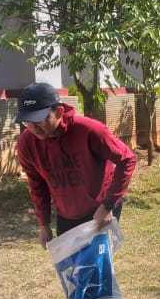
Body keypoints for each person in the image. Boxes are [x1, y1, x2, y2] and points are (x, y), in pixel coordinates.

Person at [15, 83, 136, 245]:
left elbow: (127, 159)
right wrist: (44, 224)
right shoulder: (27, 144)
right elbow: (37, 184)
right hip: (66, 214)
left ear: (59, 112)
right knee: (71, 261)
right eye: (27, 121)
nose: (33, 127)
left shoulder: (88, 130)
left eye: (39, 120)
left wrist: (107, 206)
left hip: (99, 209)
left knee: (95, 259)